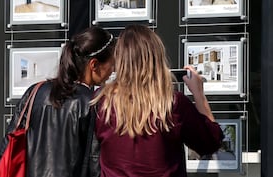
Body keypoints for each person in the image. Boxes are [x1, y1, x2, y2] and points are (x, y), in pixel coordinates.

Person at [91, 24, 224, 177]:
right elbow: (211, 142)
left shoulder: (102, 102)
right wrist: (199, 94)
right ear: (157, 58)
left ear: (120, 60)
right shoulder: (173, 103)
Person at [0, 27, 115, 177]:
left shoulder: (35, 91)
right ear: (94, 65)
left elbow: (8, 146)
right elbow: (94, 161)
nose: (113, 69)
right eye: (112, 63)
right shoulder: (92, 102)